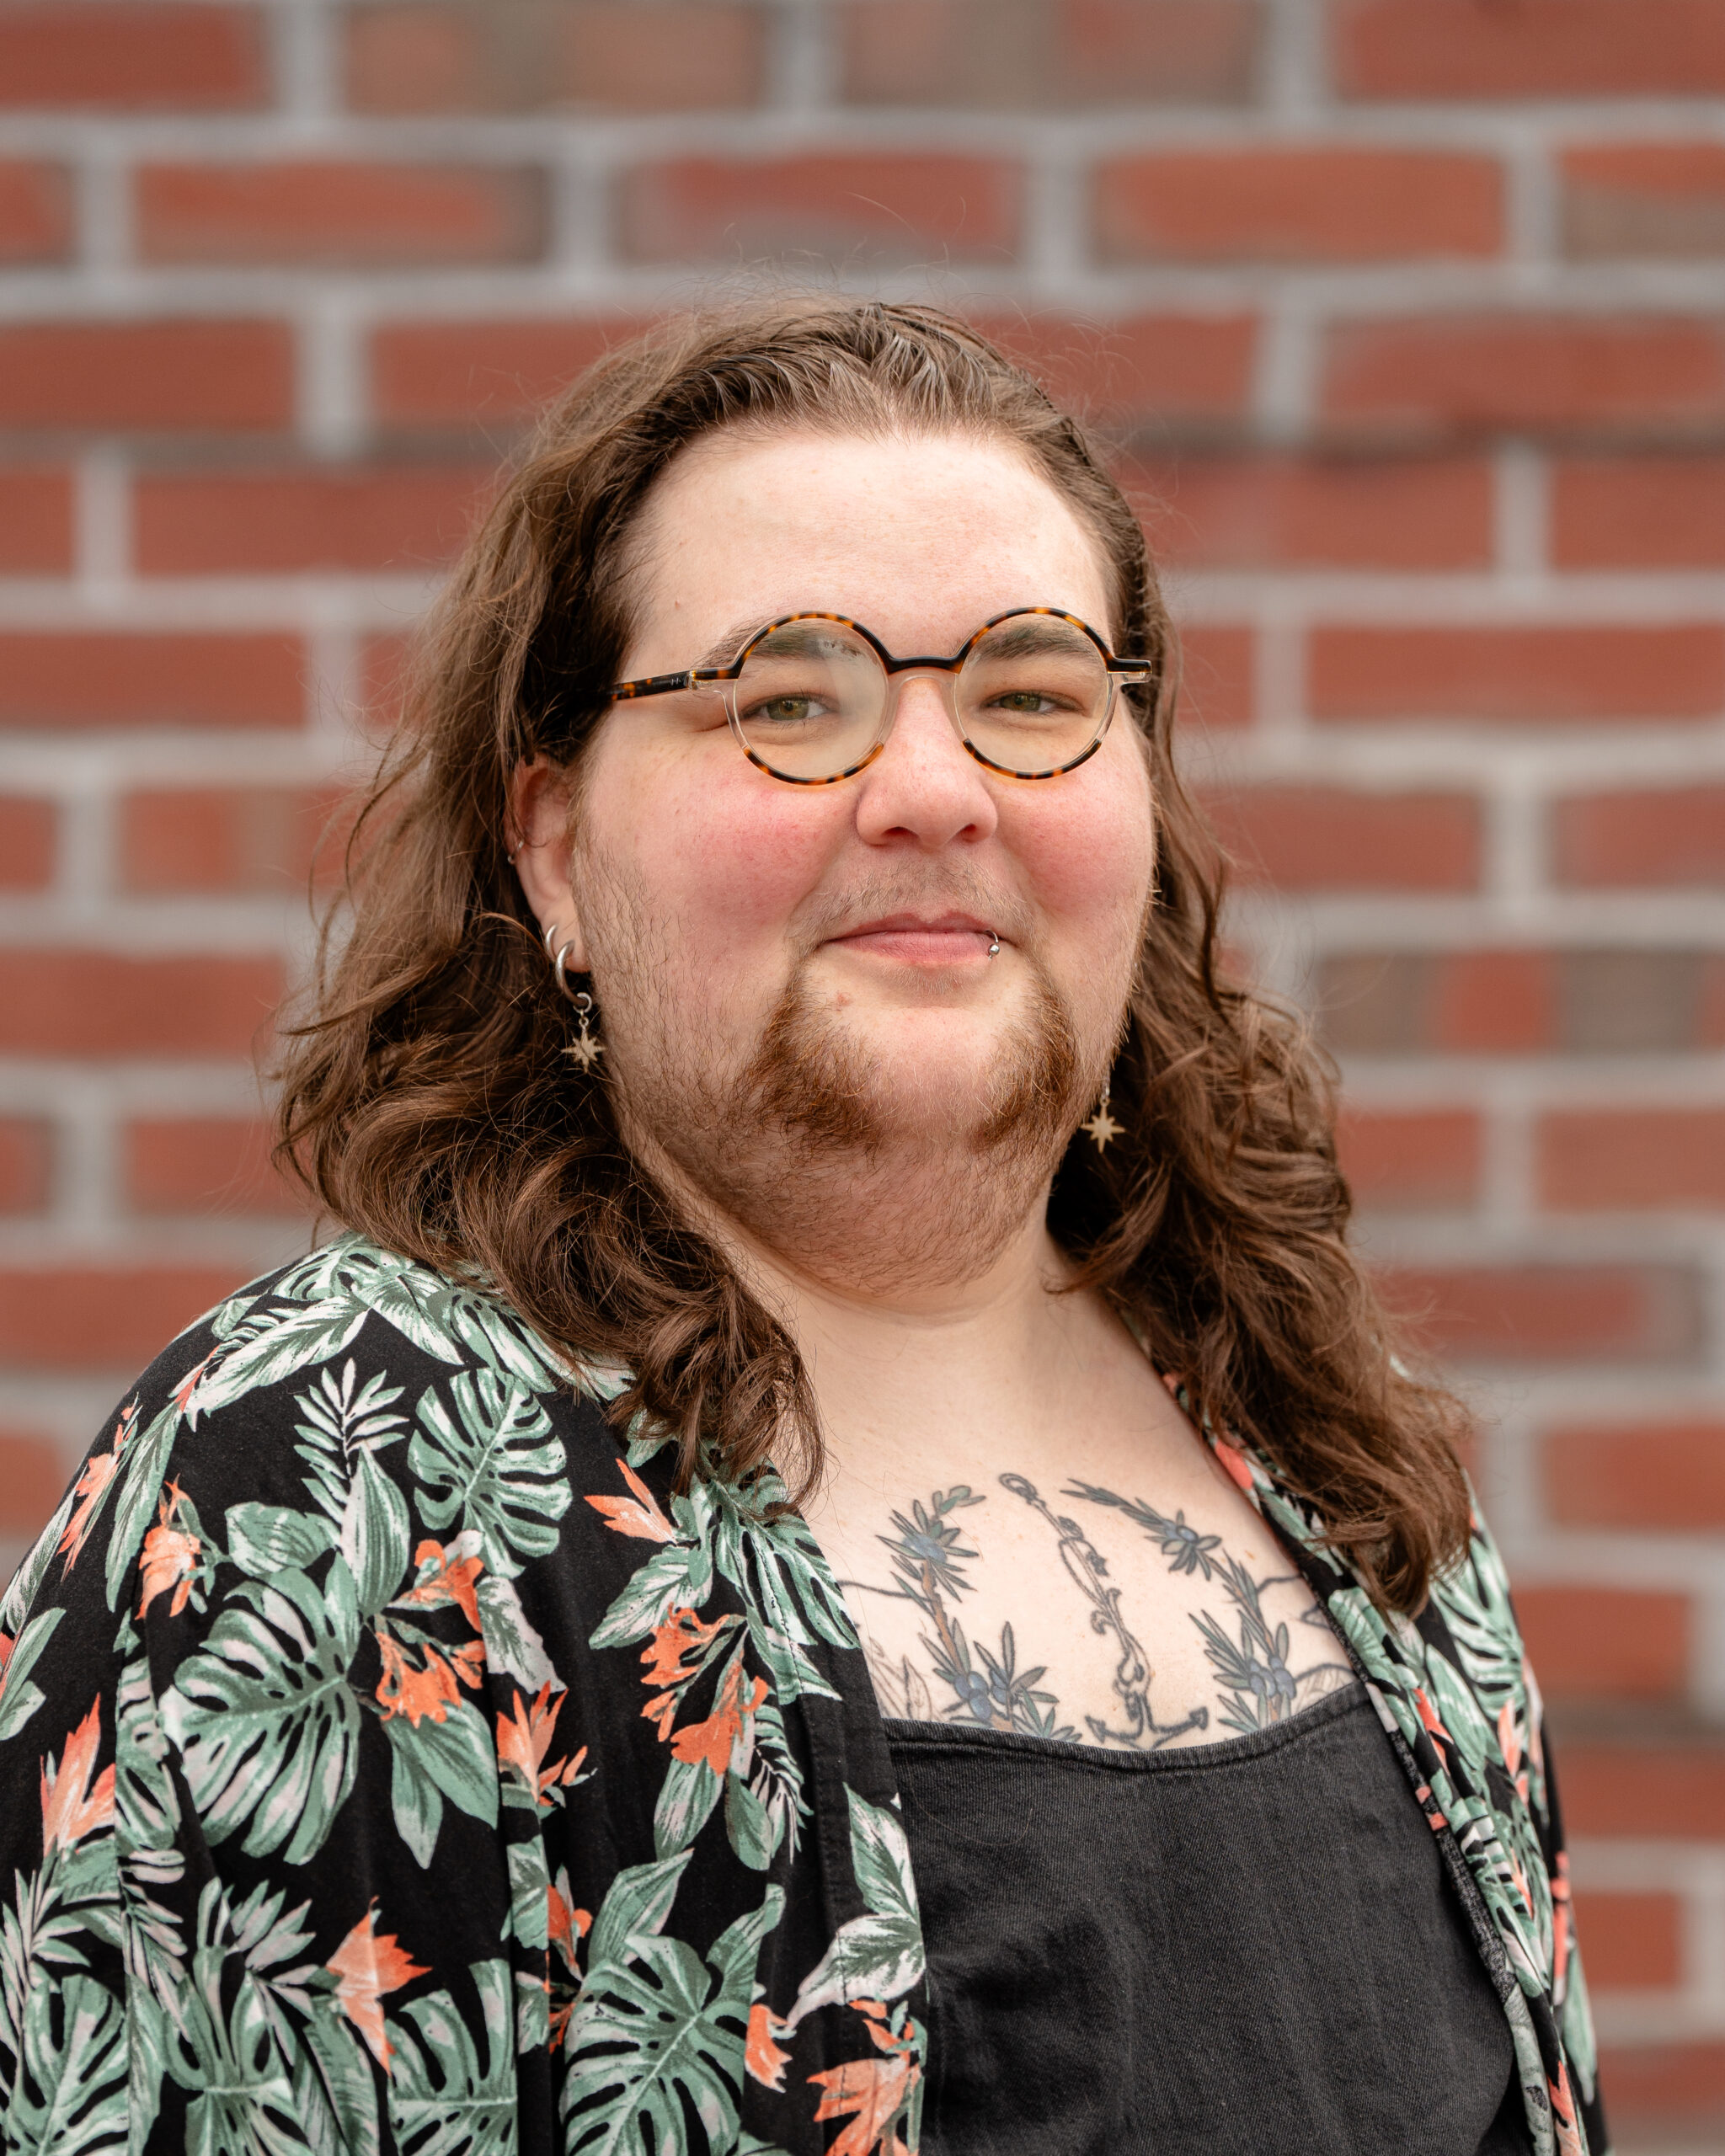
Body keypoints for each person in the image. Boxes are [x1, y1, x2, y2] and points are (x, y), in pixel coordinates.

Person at [0, 300, 1604, 2156]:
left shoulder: (1341, 1463)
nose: (933, 791)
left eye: (1031, 692)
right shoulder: (328, 1480)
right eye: (786, 697)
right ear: (554, 848)